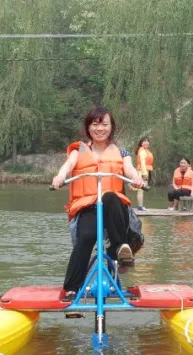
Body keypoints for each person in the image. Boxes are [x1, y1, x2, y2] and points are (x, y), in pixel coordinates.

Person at [52, 106, 146, 302]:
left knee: (111, 196)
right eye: (95, 124)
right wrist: (60, 176)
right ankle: (71, 287)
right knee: (86, 236)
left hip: (114, 208)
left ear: (111, 127)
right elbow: (67, 166)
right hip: (88, 207)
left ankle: (122, 250)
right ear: (88, 128)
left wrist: (137, 178)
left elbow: (129, 170)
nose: (100, 128)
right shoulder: (78, 150)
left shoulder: (123, 152)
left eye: (104, 124)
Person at [134, 136, 154, 211]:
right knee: (141, 189)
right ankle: (140, 206)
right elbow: (142, 162)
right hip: (142, 171)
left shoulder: (145, 151)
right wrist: (145, 173)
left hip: (143, 170)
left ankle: (141, 206)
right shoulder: (142, 151)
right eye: (144, 141)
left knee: (141, 189)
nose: (146, 142)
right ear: (141, 143)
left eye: (147, 141)